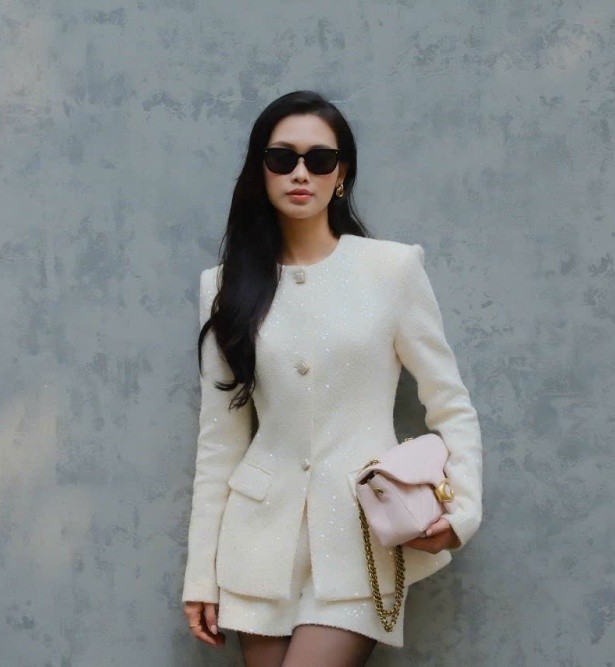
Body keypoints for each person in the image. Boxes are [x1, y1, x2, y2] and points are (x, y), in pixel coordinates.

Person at [181, 90, 484, 667]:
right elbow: (219, 440)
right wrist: (201, 574)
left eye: (320, 159)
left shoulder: (391, 270)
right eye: (282, 158)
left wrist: (462, 511)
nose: (301, 173)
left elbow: (449, 403)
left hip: (361, 538)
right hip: (256, 546)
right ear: (260, 170)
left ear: (341, 174)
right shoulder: (222, 287)